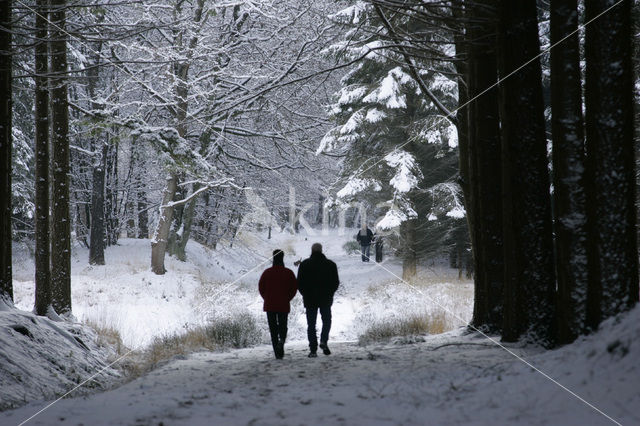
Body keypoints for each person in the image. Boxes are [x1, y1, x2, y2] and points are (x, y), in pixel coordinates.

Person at [297, 243, 340, 357]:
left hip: (310, 299)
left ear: (312, 251)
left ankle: (313, 349)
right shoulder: (331, 265)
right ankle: (324, 341)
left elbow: (299, 283)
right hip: (325, 298)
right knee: (326, 321)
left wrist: (304, 294)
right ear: (321, 251)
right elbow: (335, 282)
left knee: (311, 324)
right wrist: (330, 293)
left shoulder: (304, 264)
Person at [258, 249, 298, 359]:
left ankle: (277, 352)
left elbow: (261, 287)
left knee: (273, 328)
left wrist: (266, 298)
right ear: (283, 258)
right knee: (283, 325)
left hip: (270, 304)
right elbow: (294, 288)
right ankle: (282, 340)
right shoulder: (288, 272)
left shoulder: (267, 272)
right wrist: (287, 298)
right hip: (283, 304)